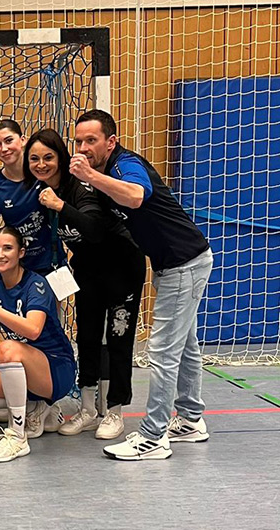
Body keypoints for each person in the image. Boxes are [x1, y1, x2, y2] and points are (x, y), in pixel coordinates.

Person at [71, 110, 214, 461]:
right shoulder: (105, 174)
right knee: (186, 346)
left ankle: (153, 437)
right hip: (174, 264)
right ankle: (190, 419)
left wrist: (90, 175)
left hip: (184, 263)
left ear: (111, 142)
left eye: (91, 140)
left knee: (163, 351)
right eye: (79, 141)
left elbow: (135, 195)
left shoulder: (125, 165)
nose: (84, 147)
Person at [24, 129, 145, 440]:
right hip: (87, 270)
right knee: (87, 336)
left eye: (48, 157)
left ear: (61, 158)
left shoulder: (80, 187)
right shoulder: (41, 190)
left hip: (121, 268)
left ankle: (115, 410)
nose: (41, 164)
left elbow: (94, 230)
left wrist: (60, 206)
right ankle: (89, 409)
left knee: (118, 340)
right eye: (35, 159)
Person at [0, 119, 69, 430]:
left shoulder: (41, 173)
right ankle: (29, 402)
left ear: (22, 140)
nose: (4, 148)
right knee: (19, 338)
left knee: (48, 331)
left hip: (50, 267)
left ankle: (51, 402)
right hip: (17, 270)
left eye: (9, 140)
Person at [0, 227, 76, 462]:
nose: (0, 254)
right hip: (21, 368)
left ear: (21, 253)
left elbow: (33, 330)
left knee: (7, 348)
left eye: (7, 248)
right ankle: (36, 407)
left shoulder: (36, 284)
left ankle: (17, 436)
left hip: (55, 369)